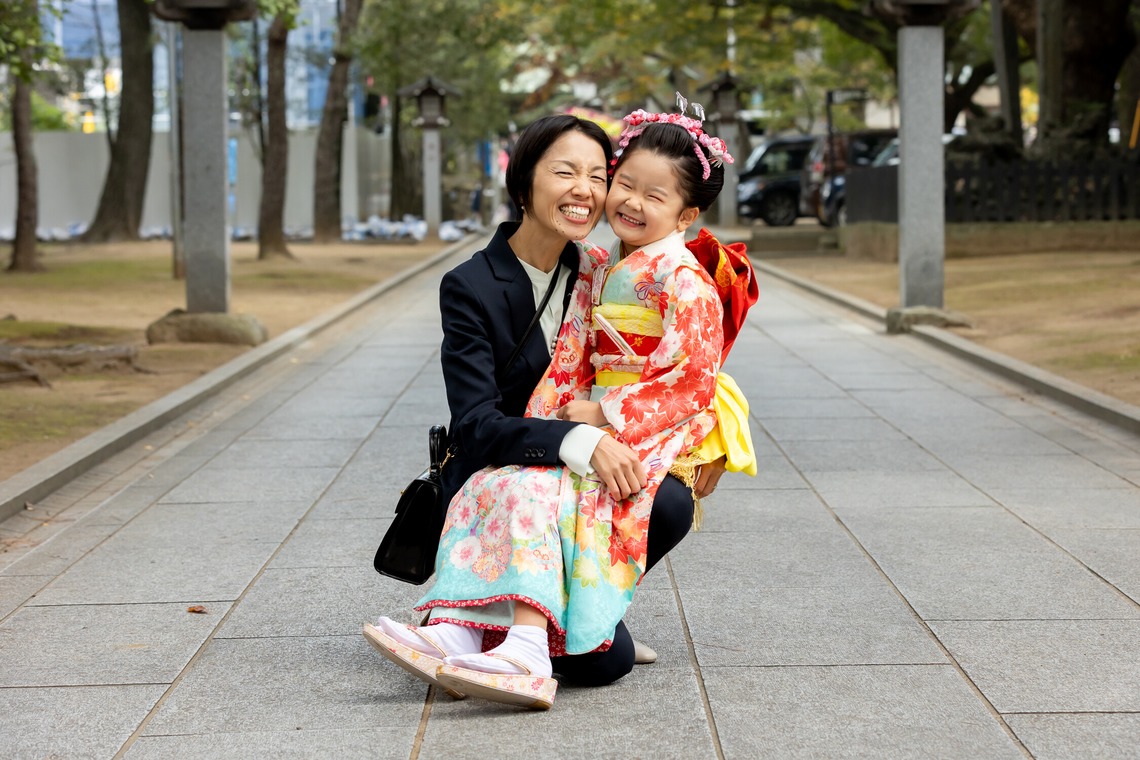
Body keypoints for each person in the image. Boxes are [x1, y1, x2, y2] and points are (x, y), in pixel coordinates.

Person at [367, 108, 756, 710]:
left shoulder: (603, 267)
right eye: (567, 173)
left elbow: (681, 368)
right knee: (531, 497)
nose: (591, 191)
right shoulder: (471, 285)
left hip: (604, 434)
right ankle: (464, 625)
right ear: (524, 183)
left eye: (600, 175)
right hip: (504, 454)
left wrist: (607, 418)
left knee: (658, 518)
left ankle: (530, 632)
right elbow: (478, 421)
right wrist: (572, 434)